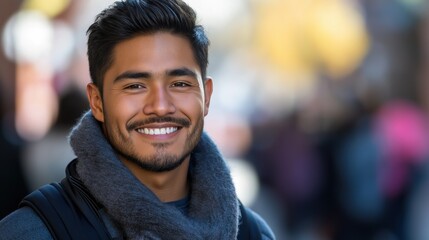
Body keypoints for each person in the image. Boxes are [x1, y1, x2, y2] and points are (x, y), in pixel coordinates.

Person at [0, 0, 275, 239]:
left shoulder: (253, 233)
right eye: (135, 86)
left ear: (207, 96)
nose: (160, 106)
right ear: (97, 102)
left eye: (179, 84)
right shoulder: (32, 232)